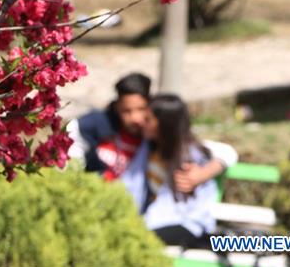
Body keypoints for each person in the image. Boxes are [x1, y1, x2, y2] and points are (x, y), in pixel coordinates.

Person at [67, 73, 237, 188]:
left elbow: (226, 152)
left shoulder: (152, 134)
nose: (135, 118)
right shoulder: (98, 125)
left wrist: (203, 174)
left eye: (141, 109)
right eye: (127, 111)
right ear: (116, 106)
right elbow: (73, 141)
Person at [121, 94, 218, 248]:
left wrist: (204, 173)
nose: (142, 123)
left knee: (135, 243)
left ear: (164, 124)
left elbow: (226, 153)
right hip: (155, 218)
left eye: (148, 119)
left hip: (185, 223)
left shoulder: (190, 155)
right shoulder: (150, 147)